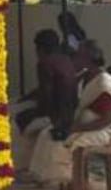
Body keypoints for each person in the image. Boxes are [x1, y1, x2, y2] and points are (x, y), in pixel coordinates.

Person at [29, 39, 111, 186]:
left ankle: (74, 183)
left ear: (88, 59)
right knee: (47, 134)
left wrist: (75, 128)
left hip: (103, 130)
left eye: (78, 55)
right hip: (83, 125)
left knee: (64, 144)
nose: (74, 58)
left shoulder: (103, 83)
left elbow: (106, 121)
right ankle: (47, 180)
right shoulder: (84, 76)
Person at [15, 29, 78, 171]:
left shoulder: (45, 64)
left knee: (15, 118)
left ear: (40, 49)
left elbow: (46, 98)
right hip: (70, 112)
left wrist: (31, 113)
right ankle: (29, 164)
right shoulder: (65, 59)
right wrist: (26, 99)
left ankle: (23, 166)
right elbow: (48, 89)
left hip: (57, 117)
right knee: (19, 108)